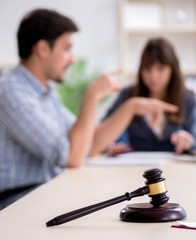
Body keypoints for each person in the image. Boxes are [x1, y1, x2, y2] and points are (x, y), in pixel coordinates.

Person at [0, 9, 178, 209]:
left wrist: (131, 107)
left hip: (43, 192)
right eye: (67, 49)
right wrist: (91, 97)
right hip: (17, 202)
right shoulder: (11, 92)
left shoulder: (46, 93)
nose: (72, 59)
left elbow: (89, 143)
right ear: (42, 49)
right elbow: (72, 156)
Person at [102, 37, 196, 155]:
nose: (153, 76)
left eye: (160, 69)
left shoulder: (187, 98)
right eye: (147, 68)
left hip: (176, 168)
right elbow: (102, 133)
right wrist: (111, 146)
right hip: (135, 169)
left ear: (172, 69)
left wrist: (189, 141)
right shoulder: (129, 96)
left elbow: (194, 140)